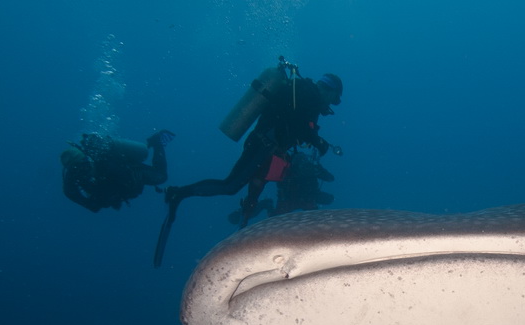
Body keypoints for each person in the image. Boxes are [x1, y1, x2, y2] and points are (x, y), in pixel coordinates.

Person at [154, 62, 342, 266]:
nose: (332, 104)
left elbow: (294, 124)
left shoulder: (302, 92)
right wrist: (319, 141)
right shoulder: (309, 95)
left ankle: (242, 226)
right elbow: (299, 125)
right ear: (330, 91)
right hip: (263, 146)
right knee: (230, 186)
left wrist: (313, 138)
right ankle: (177, 194)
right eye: (335, 98)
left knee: (254, 189)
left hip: (266, 148)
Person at [61, 130, 174, 212]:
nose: (82, 170)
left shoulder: (103, 161)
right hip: (117, 176)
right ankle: (150, 144)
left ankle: (156, 142)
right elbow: (71, 193)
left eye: (83, 165)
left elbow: (125, 180)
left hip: (128, 169)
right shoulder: (73, 175)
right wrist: (90, 203)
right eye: (77, 168)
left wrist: (103, 200)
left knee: (160, 176)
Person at [227, 149, 335, 227]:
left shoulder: (312, 169)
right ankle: (266, 204)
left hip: (307, 199)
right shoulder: (287, 170)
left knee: (317, 221)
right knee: (275, 222)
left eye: (304, 163)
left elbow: (330, 178)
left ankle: (264, 206)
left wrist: (318, 170)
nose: (302, 166)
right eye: (299, 163)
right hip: (288, 200)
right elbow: (264, 178)